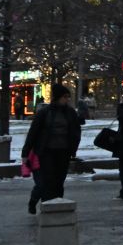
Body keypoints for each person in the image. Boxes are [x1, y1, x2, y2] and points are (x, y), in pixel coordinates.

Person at [21, 84, 83, 214]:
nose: (67, 100)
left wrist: (73, 148)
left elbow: (76, 131)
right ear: (57, 97)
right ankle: (46, 207)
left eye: (68, 97)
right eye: (65, 97)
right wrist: (25, 152)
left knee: (59, 180)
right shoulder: (45, 113)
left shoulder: (70, 113)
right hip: (47, 151)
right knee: (48, 181)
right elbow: (33, 132)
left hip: (63, 152)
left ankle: (58, 205)